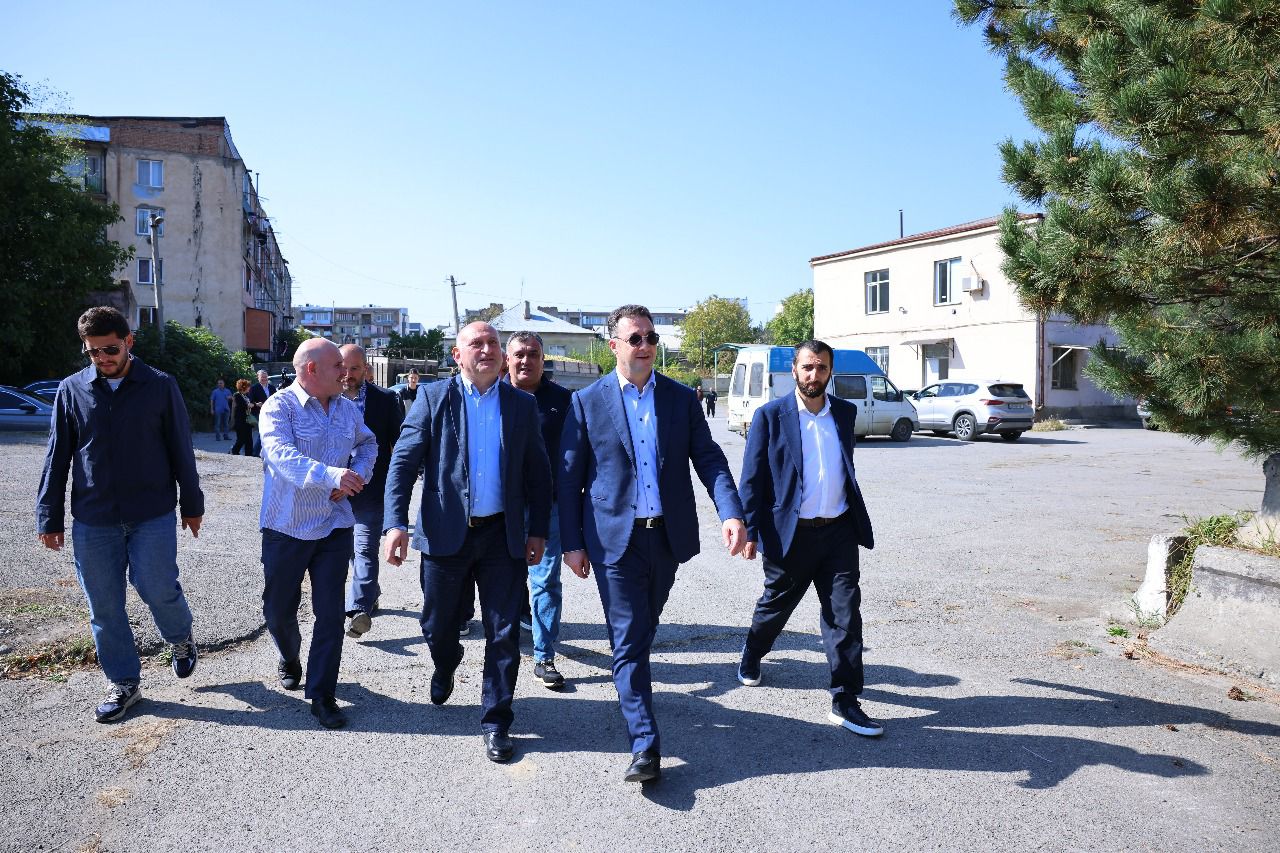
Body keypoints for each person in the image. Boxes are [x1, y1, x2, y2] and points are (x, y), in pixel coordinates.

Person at [559, 304, 747, 784]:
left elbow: (709, 459)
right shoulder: (587, 401)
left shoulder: (681, 399)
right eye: (635, 338)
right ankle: (645, 744)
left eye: (651, 338)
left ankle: (631, 688)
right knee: (627, 637)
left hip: (665, 538)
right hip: (612, 542)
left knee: (642, 630)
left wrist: (730, 513)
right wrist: (571, 543)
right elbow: (569, 479)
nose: (645, 346)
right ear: (614, 345)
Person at [384, 322, 551, 764]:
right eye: (476, 343)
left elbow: (538, 473)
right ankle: (446, 661)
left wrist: (538, 530)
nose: (487, 349)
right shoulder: (432, 398)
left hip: (501, 536)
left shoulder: (521, 404)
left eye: (493, 343)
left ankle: (496, 720)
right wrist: (395, 524)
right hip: (445, 534)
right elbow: (403, 464)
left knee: (503, 632)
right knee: (437, 624)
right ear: (457, 355)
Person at [36, 306, 204, 723]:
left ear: (129, 341)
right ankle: (124, 682)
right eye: (92, 351)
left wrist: (192, 504)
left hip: (152, 512)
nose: (102, 358)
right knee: (104, 606)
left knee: (156, 586)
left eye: (110, 349)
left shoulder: (159, 385)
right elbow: (57, 456)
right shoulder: (72, 390)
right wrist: (49, 516)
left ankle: (180, 637)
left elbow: (181, 448)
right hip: (94, 518)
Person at [735, 339, 882, 737]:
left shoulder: (845, 413)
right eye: (807, 367)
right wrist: (749, 528)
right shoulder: (770, 416)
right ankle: (753, 651)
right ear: (794, 371)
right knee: (775, 606)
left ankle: (845, 699)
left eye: (821, 368)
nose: (814, 375)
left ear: (830, 371)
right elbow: (752, 478)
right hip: (790, 535)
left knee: (844, 615)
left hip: (838, 532)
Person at [258, 338, 376, 730]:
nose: (346, 372)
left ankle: (323, 695)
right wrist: (331, 475)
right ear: (312, 369)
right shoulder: (279, 407)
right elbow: (281, 456)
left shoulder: (346, 409)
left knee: (329, 613)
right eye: (337, 366)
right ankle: (289, 655)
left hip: (333, 525)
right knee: (278, 610)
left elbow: (368, 443)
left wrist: (357, 474)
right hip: (286, 527)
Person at [503, 330, 573, 689]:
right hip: (501, 508)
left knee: (545, 581)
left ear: (543, 360)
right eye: (519, 354)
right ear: (507, 359)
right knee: (504, 579)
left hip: (549, 509)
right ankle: (503, 644)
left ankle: (544, 656)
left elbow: (576, 454)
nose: (526, 360)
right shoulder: (492, 396)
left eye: (533, 354)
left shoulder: (563, 400)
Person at [338, 344, 404, 639]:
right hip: (335, 490)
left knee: (364, 546)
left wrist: (398, 482)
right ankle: (370, 591)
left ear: (366, 369)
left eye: (354, 368)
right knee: (351, 549)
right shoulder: (326, 397)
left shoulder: (386, 399)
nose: (348, 375)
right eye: (343, 368)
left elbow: (398, 444)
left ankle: (358, 609)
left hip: (373, 488)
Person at [248, 369, 276, 456]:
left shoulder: (272, 387)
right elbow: (250, 401)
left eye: (265, 377)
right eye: (262, 377)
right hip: (258, 413)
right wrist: (257, 404)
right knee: (263, 432)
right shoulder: (253, 388)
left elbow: (276, 399)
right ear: (258, 377)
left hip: (270, 413)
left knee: (268, 432)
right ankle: (255, 452)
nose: (264, 379)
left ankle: (265, 451)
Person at [229, 379, 255, 455]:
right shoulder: (236, 395)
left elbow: (249, 404)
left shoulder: (246, 396)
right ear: (243, 387)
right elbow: (240, 406)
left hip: (247, 421)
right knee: (241, 439)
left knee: (249, 439)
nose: (249, 388)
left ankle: (249, 454)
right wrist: (250, 405)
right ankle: (234, 451)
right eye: (248, 386)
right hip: (240, 421)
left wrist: (254, 404)